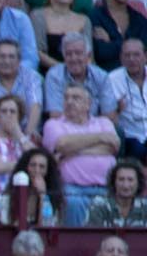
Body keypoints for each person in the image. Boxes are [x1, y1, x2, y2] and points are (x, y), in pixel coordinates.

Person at [43, 85, 119, 225]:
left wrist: (75, 150)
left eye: (76, 98)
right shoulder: (53, 124)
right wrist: (101, 138)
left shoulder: (104, 122)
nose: (70, 101)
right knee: (72, 202)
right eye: (66, 98)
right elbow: (62, 145)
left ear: (88, 104)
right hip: (71, 189)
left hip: (105, 187)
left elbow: (113, 145)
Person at [0, 95, 35, 211]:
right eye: (4, 111)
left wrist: (19, 135)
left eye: (13, 112)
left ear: (19, 117)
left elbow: (37, 159)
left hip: (24, 191)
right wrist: (26, 163)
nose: (8, 115)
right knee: (15, 208)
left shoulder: (23, 141)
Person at [100, 38, 147, 160]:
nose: (131, 59)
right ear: (121, 58)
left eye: (136, 54)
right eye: (127, 55)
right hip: (131, 136)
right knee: (138, 150)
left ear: (145, 57)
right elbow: (107, 119)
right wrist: (118, 110)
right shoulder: (112, 79)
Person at [45, 33, 108, 120]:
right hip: (65, 128)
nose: (74, 58)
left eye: (78, 53)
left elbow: (109, 115)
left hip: (95, 127)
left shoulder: (101, 76)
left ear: (88, 56)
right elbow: (56, 116)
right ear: (64, 57)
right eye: (69, 54)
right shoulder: (54, 76)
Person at [31, 0, 93, 72]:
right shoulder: (38, 16)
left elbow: (89, 55)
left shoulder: (84, 20)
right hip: (47, 72)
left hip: (79, 73)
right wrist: (63, 70)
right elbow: (38, 52)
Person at [0, 147, 64, 226]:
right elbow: (6, 222)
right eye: (33, 165)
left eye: (42, 166)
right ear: (26, 167)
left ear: (48, 171)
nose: (37, 170)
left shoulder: (54, 197)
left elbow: (47, 225)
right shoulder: (10, 194)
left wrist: (42, 195)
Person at [90, 0, 147, 72]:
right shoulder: (95, 16)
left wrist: (112, 42)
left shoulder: (139, 19)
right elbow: (101, 52)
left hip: (137, 78)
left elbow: (143, 51)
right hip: (107, 76)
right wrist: (132, 47)